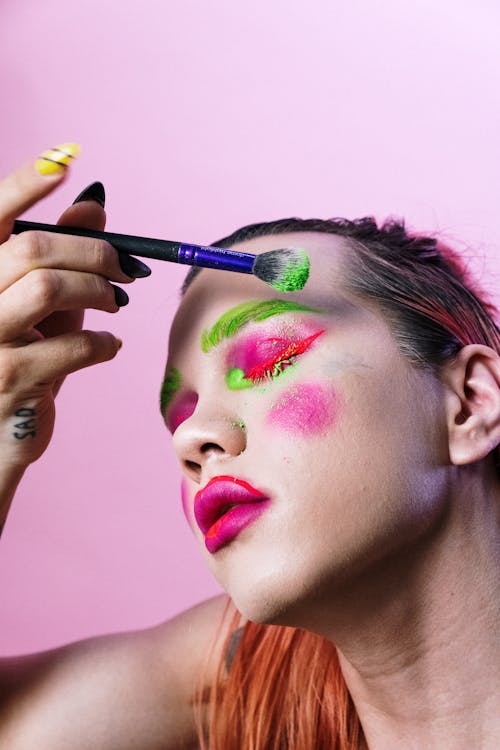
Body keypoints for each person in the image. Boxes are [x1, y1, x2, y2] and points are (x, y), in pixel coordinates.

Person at [0, 148, 498, 750]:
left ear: (470, 401)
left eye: (272, 360)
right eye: (177, 415)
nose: (191, 437)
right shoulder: (246, 679)